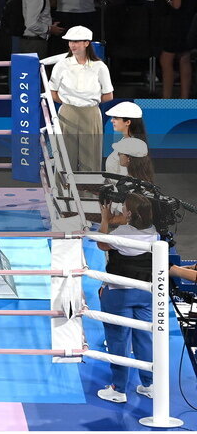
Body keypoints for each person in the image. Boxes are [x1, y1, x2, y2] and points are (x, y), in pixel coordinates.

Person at [96, 193, 157, 404]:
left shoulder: (123, 233)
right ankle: (149, 385)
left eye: (124, 208)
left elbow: (101, 243)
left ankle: (118, 389)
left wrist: (104, 218)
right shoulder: (153, 232)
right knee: (144, 338)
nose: (122, 210)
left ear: (129, 213)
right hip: (146, 293)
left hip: (119, 293)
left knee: (118, 340)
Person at [48, 26, 114, 172]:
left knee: (91, 159)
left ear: (87, 43)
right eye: (70, 41)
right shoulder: (61, 65)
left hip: (91, 114)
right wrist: (69, 102)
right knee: (65, 157)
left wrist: (89, 102)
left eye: (77, 41)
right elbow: (51, 91)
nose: (73, 45)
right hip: (67, 112)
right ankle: (64, 194)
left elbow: (109, 95)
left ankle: (89, 195)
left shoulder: (99, 67)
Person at [158, 0, 196, 98]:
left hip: (176, 25)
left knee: (165, 60)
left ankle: (167, 99)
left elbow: (176, 3)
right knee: (184, 58)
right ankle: (184, 99)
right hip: (189, 24)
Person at [103, 102, 146, 176]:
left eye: (116, 118)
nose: (112, 120)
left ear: (128, 122)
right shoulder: (126, 142)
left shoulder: (131, 146)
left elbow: (127, 178)